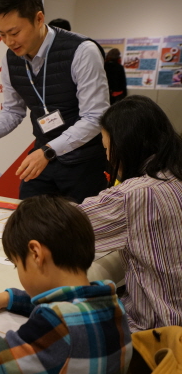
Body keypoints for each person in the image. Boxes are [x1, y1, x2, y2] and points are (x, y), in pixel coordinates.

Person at [0, 0, 109, 203]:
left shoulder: (82, 51)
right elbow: (13, 110)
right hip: (43, 155)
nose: (9, 42)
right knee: (28, 217)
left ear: (39, 19)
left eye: (14, 33)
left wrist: (49, 151)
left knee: (79, 223)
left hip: (83, 161)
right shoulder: (11, 59)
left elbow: (95, 116)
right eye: (2, 34)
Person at [0, 195, 132, 374]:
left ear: (35, 254)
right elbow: (68, 303)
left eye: (17, 265)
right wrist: (8, 298)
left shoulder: (57, 324)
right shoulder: (112, 302)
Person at [78, 95, 182, 332]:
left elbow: (65, 225)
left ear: (125, 147)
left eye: (107, 149)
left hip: (158, 328)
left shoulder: (134, 195)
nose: (107, 157)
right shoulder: (175, 173)